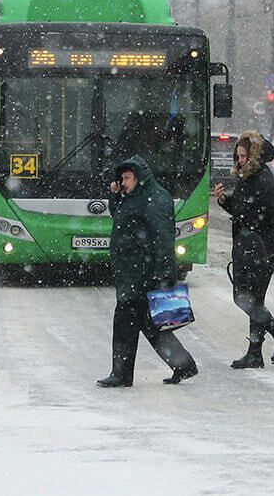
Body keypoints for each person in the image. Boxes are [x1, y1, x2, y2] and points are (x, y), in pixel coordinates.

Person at [97, 155, 198, 387]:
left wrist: (163, 272)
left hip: (141, 272)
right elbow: (121, 217)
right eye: (122, 179)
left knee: (124, 320)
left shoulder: (155, 199)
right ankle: (183, 364)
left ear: (139, 176)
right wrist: (115, 196)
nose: (123, 183)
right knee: (149, 323)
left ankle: (121, 374)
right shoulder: (135, 197)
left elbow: (163, 237)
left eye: (127, 178)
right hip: (132, 272)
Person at [213, 131, 274, 369]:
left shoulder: (259, 178)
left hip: (259, 249)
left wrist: (231, 205)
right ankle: (255, 353)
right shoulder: (252, 176)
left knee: (243, 298)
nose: (238, 161)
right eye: (237, 156)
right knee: (254, 300)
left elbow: (252, 217)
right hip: (257, 247)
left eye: (242, 156)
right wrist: (224, 201)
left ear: (254, 156)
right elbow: (245, 212)